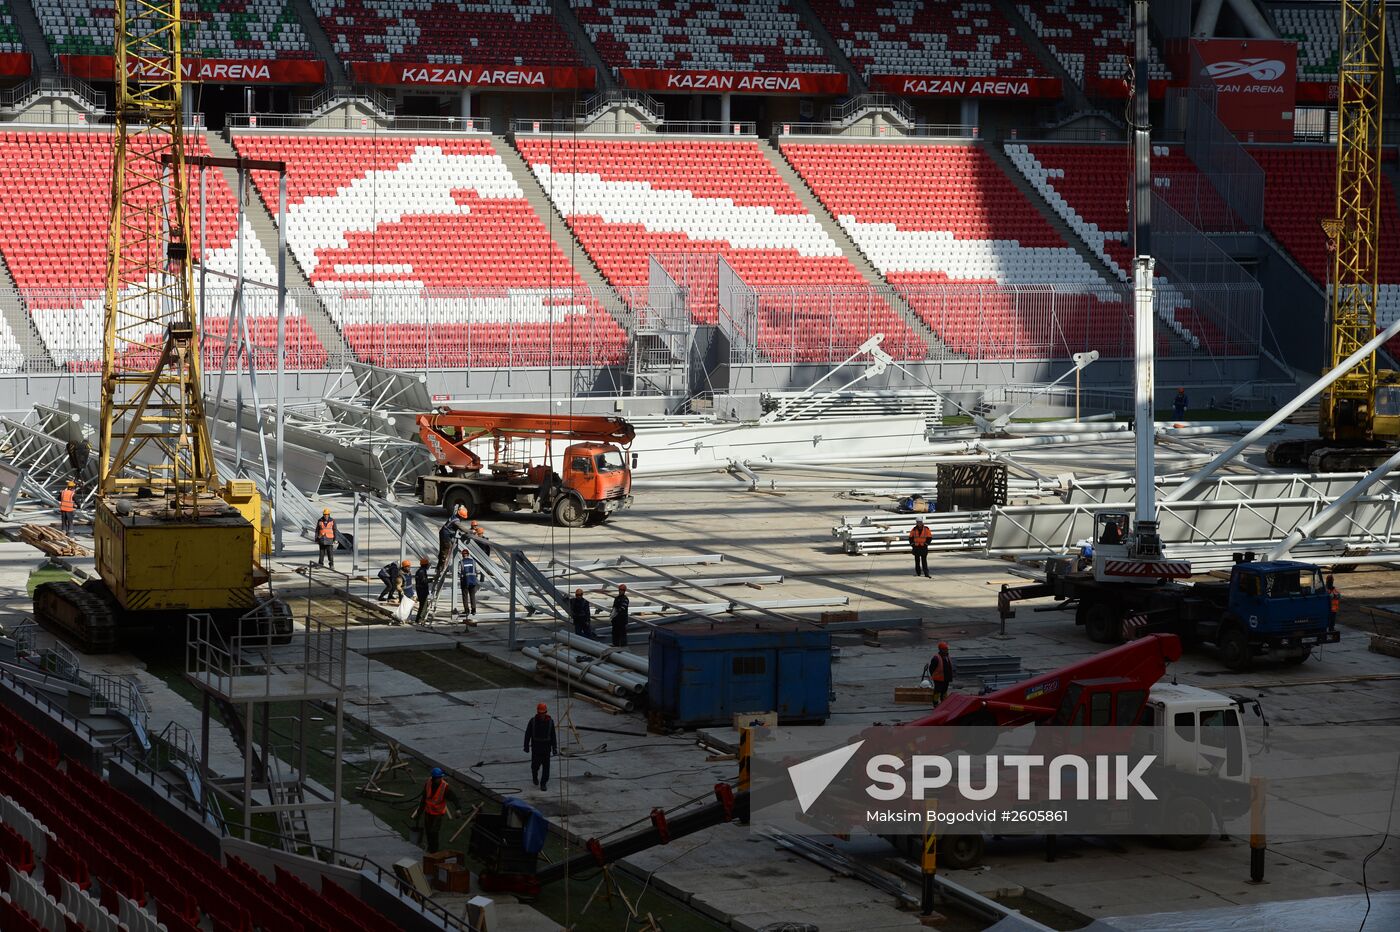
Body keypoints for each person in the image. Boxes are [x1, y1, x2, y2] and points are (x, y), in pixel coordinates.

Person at [414, 767, 459, 852]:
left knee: (434, 833)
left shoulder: (444, 787)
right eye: (438, 778)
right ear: (434, 778)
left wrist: (458, 808)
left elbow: (454, 798)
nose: (440, 779)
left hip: (437, 814)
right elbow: (424, 799)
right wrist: (419, 812)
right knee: (428, 832)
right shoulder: (428, 783)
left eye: (440, 778)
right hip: (428, 812)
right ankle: (430, 848)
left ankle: (434, 851)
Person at [523, 703, 558, 791]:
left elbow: (553, 736)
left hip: (546, 749)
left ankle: (543, 783)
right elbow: (528, 734)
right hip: (536, 748)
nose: (542, 714)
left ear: (546, 712)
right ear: (537, 712)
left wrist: (554, 748)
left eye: (543, 713)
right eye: (540, 713)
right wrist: (526, 746)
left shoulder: (550, 722)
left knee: (546, 768)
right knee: (535, 766)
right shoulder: (533, 721)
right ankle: (535, 776)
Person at [436, 506, 470, 575]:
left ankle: (439, 567)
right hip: (445, 535)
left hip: (444, 533)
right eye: (463, 517)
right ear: (461, 516)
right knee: (445, 551)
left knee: (442, 550)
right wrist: (470, 531)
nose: (463, 519)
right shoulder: (456, 521)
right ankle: (441, 568)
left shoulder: (454, 516)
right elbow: (461, 527)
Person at [458, 548, 479, 617]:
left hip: (465, 581)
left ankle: (467, 610)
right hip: (472, 581)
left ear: (462, 555)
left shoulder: (461, 562)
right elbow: (477, 571)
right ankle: (474, 610)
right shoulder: (473, 561)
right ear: (468, 554)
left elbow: (459, 572)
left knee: (465, 596)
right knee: (472, 596)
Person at [414, 557, 432, 624]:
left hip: (421, 590)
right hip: (422, 591)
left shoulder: (421, 570)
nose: (428, 566)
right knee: (423, 605)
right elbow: (423, 581)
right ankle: (420, 619)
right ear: (425, 564)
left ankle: (421, 618)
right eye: (427, 564)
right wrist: (431, 580)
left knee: (424, 605)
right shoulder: (422, 571)